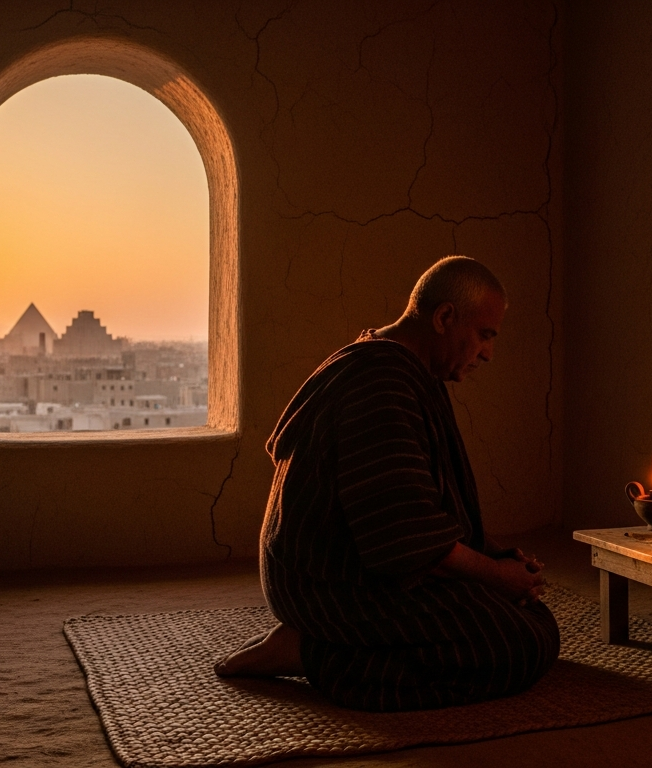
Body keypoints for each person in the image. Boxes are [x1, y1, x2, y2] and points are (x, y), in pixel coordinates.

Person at [215, 255, 559, 712]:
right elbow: (401, 537)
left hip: (362, 567)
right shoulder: (380, 383)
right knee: (517, 645)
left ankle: (315, 644)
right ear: (444, 317)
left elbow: (419, 504)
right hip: (329, 587)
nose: (488, 354)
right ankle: (309, 651)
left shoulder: (407, 370)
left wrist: (496, 556)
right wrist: (496, 577)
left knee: (534, 619)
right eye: (484, 335)